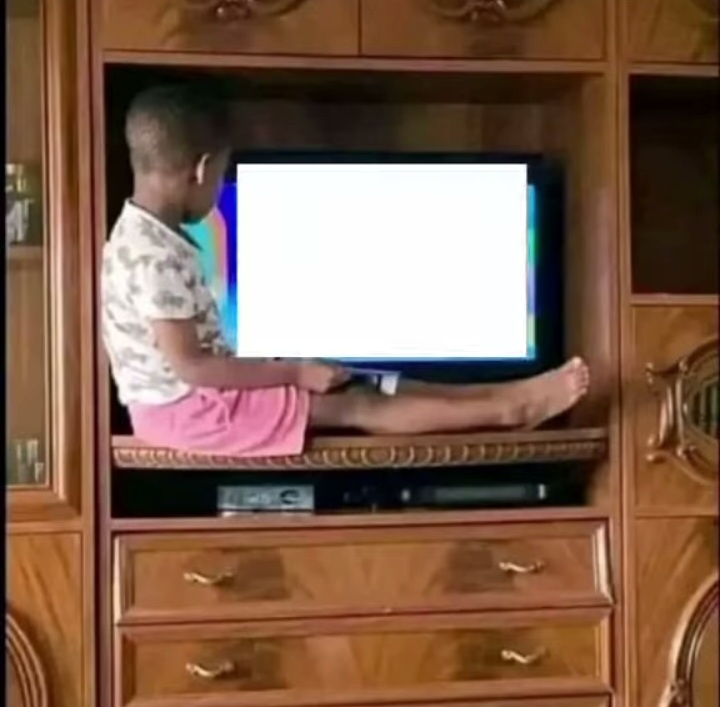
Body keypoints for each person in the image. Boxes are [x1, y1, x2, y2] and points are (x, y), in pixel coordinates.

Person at [101, 84, 590, 458]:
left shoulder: (144, 235)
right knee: (358, 403)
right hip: (190, 411)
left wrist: (291, 368)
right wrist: (294, 372)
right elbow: (191, 367)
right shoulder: (152, 255)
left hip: (191, 400)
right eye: (223, 174)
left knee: (364, 379)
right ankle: (510, 410)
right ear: (202, 169)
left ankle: (507, 393)